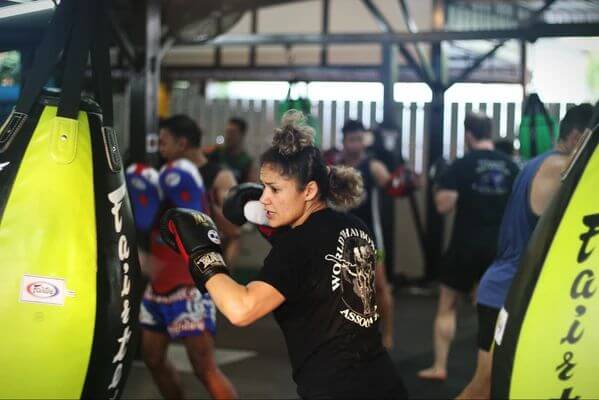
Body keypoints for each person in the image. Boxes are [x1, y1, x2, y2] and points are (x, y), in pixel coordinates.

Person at [160, 110, 408, 399]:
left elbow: (241, 309)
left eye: (275, 189)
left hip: (336, 390)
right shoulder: (355, 226)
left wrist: (201, 251)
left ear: (309, 190)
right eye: (264, 186)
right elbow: (316, 271)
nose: (264, 198)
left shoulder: (297, 245)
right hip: (384, 382)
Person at [457, 103, 594, 399]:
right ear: (576, 138)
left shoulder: (539, 162)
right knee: (484, 387)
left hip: (511, 288)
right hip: (504, 290)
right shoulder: (560, 167)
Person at [139, 115, 238, 400]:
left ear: (182, 143)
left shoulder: (217, 176)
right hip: (158, 286)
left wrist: (218, 278)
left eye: (165, 142)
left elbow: (234, 231)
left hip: (192, 286)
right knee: (153, 359)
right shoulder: (159, 175)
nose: (160, 148)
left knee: (203, 366)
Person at [418, 112, 520, 381]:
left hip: (465, 245)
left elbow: (443, 205)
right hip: (499, 249)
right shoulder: (511, 167)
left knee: (447, 306)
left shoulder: (461, 165)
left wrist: (437, 183)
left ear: (468, 135)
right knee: (497, 312)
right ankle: (495, 373)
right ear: (489, 131)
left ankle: (439, 367)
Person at [332, 119, 398, 350]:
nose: (356, 144)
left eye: (360, 139)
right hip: (344, 237)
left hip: (370, 236)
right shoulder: (336, 168)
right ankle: (348, 334)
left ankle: (387, 334)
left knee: (379, 286)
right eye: (352, 140)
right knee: (344, 289)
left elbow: (394, 186)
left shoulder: (373, 166)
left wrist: (405, 179)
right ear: (344, 141)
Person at [206, 117, 257, 184]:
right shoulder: (216, 152)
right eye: (227, 132)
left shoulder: (247, 162)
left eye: (232, 133)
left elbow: (250, 186)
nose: (228, 136)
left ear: (242, 134)